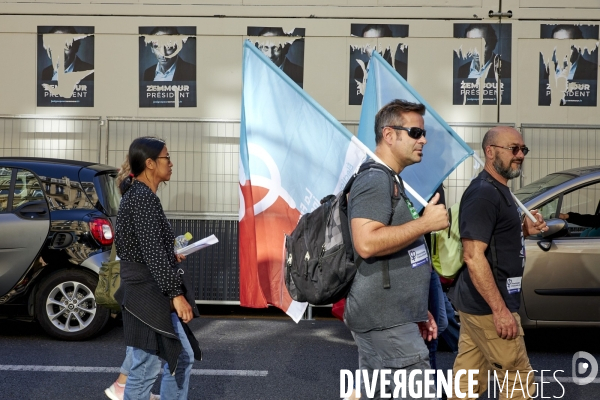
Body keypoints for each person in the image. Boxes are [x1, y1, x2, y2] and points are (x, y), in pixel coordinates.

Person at [345, 99, 449, 398]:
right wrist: (425, 223)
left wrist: (417, 311)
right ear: (389, 135)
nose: (424, 139)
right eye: (416, 132)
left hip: (392, 317)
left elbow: (398, 252)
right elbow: (366, 243)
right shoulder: (375, 179)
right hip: (385, 321)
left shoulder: (389, 178)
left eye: (423, 133)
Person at [448, 126, 548, 400]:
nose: (520, 155)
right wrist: (500, 310)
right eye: (513, 149)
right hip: (489, 308)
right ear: (490, 152)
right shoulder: (484, 194)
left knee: (466, 383)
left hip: (477, 306)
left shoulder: (499, 190)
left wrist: (523, 229)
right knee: (518, 382)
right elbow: (473, 254)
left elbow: (494, 240)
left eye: (522, 149)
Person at [114, 137, 201, 400]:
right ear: (150, 164)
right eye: (167, 158)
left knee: (180, 358)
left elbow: (148, 248)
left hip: (151, 291)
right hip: (147, 296)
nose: (171, 163)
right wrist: (176, 295)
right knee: (147, 366)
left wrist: (170, 255)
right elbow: (151, 253)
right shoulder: (141, 198)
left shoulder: (142, 196)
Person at [104, 156, 160, 400]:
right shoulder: (138, 199)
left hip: (132, 275)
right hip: (138, 279)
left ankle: (126, 385)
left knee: (141, 340)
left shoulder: (131, 197)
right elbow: (144, 246)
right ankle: (126, 387)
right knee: (145, 343)